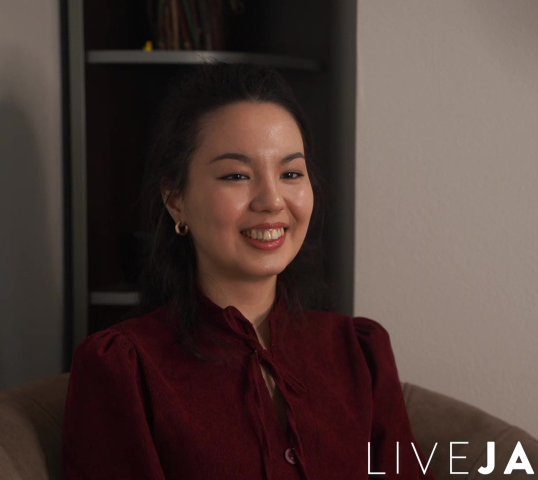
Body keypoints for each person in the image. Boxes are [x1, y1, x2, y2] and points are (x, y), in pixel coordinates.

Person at [62, 63, 434, 480]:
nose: (272, 200)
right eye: (237, 175)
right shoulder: (124, 368)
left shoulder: (361, 353)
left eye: (290, 173)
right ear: (176, 200)